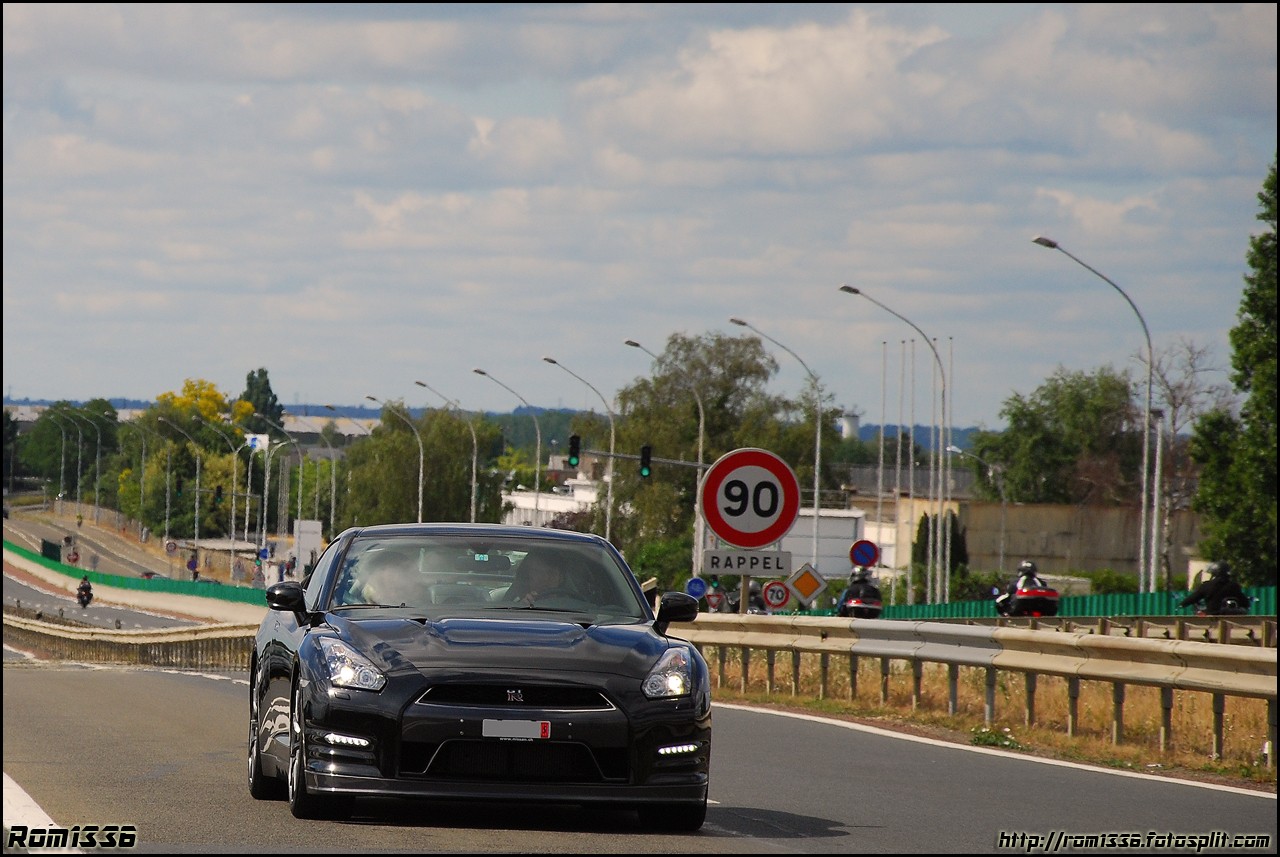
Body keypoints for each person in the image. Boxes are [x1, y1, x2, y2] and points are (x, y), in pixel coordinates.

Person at [1179, 561, 1249, 615]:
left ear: (1214, 573)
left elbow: (1193, 597)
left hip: (1212, 615)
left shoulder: (1206, 585)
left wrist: (1182, 604)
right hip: (1230, 617)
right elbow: (1245, 603)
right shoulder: (1234, 586)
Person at [505, 552, 570, 604]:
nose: (545, 578)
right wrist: (524, 609)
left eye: (551, 573)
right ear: (527, 577)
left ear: (561, 578)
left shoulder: (572, 605)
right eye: (539, 572)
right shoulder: (514, 604)